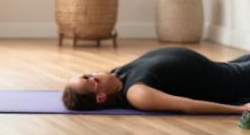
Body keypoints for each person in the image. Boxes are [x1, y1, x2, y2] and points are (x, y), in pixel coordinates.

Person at [61, 46, 250, 113]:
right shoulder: (137, 94)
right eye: (89, 78)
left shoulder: (118, 74)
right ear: (101, 96)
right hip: (234, 82)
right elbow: (188, 105)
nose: (94, 73)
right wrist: (239, 110)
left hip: (227, 67)